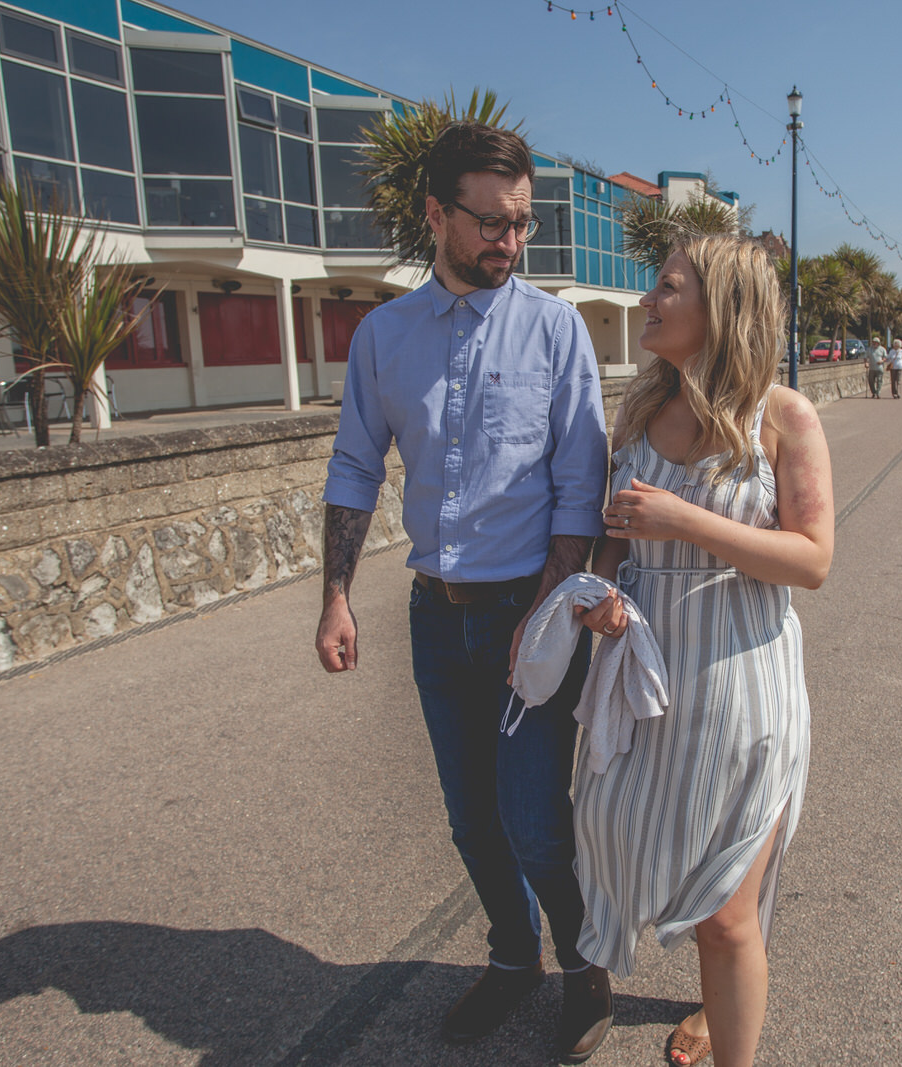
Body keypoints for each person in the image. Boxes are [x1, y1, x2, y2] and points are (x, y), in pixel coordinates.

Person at [315, 121, 614, 1062]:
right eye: (490, 223)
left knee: (535, 820)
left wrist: (556, 597)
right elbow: (355, 466)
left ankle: (584, 967)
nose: (509, 243)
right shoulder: (384, 337)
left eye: (521, 224)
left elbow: (581, 479)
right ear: (437, 214)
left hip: (532, 613)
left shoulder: (556, 329)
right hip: (435, 621)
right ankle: (511, 959)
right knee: (471, 820)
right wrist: (335, 594)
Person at [572, 235, 834, 1067]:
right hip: (652, 686)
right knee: (656, 856)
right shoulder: (641, 410)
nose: (648, 301)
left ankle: (730, 1040)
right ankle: (713, 999)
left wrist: (685, 521)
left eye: (666, 288)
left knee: (725, 913)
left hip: (744, 682)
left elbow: (814, 558)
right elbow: (614, 541)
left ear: (720, 307)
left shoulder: (783, 416)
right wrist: (602, 594)